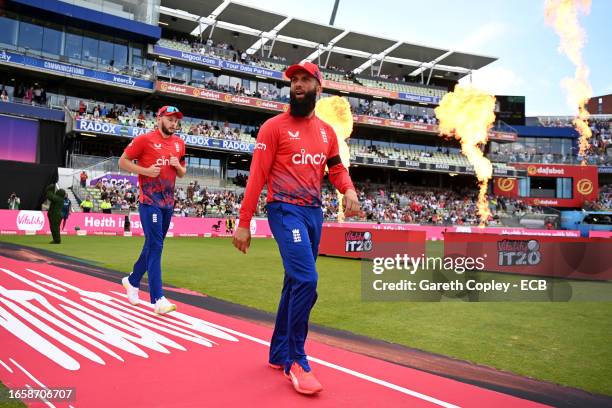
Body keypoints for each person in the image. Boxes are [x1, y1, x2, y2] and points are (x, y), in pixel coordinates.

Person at [232, 62, 359, 395]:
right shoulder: (273, 127)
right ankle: (297, 360)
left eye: (305, 79)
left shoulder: (326, 133)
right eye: (294, 80)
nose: (298, 84)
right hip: (284, 210)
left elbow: (336, 169)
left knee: (294, 282)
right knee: (306, 280)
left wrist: (348, 189)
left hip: (314, 214)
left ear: (318, 87)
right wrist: (244, 223)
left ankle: (278, 353)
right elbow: (257, 176)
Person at [118, 105, 186, 315]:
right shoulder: (145, 140)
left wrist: (177, 166)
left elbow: (182, 173)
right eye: (170, 119)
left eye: (176, 121)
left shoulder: (179, 144)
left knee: (152, 244)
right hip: (149, 201)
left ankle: (132, 280)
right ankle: (158, 298)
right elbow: (123, 162)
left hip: (168, 203)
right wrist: (145, 171)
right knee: (156, 246)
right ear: (159, 119)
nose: (174, 124)